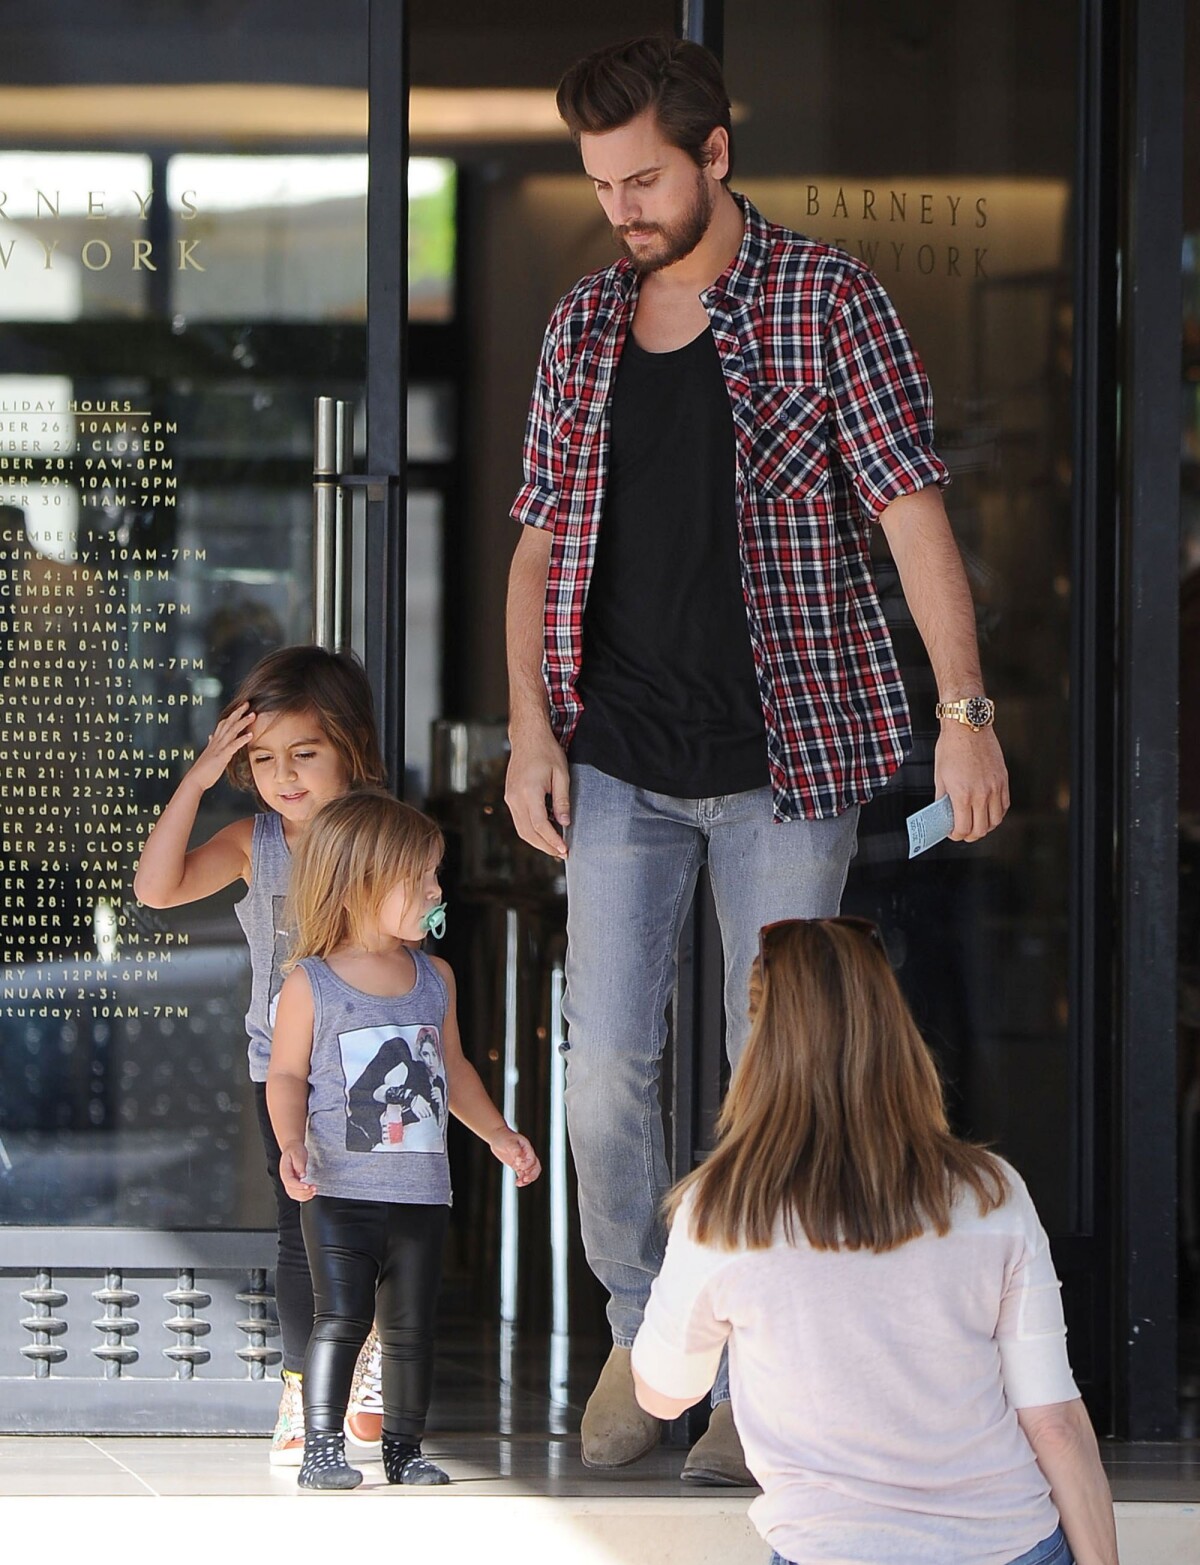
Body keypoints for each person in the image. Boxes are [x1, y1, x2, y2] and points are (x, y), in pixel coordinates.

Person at [503, 35, 1010, 1479]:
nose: (624, 207)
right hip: (619, 758)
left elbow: (912, 511)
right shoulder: (585, 326)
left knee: (770, 1071)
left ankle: (759, 1371)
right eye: (603, 183)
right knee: (604, 1061)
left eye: (647, 176)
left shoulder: (830, 298)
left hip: (793, 755)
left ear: (716, 153)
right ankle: (642, 1330)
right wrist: (534, 731)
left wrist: (963, 713)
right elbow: (537, 546)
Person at [630, 917, 1119, 1565]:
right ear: (892, 1023)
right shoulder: (989, 1190)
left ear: (760, 1038)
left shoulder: (720, 1207)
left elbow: (664, 1393)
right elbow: (1054, 1421)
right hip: (1006, 1544)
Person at [133, 645, 388, 1465]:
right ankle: (299, 1387)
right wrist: (199, 778)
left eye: (304, 754)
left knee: (378, 1227)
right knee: (300, 1230)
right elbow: (156, 888)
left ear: (350, 745)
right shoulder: (257, 840)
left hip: (377, 1064)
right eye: (264, 758)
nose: (284, 775)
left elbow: (428, 925)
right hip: (281, 1068)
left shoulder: (385, 833)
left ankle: (368, 1371)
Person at [265, 790, 541, 1490]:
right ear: (360, 886)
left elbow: (454, 1071)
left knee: (413, 1330)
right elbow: (287, 1074)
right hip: (339, 1192)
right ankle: (322, 1446)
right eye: (420, 878)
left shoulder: (434, 978)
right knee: (342, 1319)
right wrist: (290, 1141)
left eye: (434, 876)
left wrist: (499, 1134)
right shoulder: (312, 983)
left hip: (421, 1193)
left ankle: (403, 1447)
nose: (435, 890)